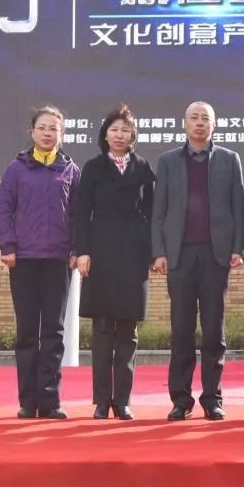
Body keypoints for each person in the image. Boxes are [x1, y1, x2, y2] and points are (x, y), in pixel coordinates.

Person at [151, 101, 244, 422]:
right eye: (194, 117)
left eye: (206, 118)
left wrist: (237, 247)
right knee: (181, 329)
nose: (200, 122)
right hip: (179, 255)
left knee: (213, 330)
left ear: (214, 125)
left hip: (216, 255)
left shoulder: (229, 159)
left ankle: (212, 398)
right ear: (185, 123)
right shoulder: (168, 161)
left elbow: (238, 207)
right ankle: (180, 399)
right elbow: (159, 211)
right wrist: (159, 251)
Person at [0, 106, 81, 420]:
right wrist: (8, 246)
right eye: (42, 127)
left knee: (54, 332)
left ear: (62, 133)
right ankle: (28, 401)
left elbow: (79, 216)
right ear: (31, 131)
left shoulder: (71, 170)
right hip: (24, 260)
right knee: (28, 331)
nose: (47, 133)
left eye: (53, 128)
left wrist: (76, 249)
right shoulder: (16, 169)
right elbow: (3, 210)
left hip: (58, 260)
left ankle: (50, 399)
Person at [74, 104, 155, 421]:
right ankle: (101, 400)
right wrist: (83, 251)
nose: (120, 135)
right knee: (103, 329)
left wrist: (153, 253)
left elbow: (152, 213)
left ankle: (122, 400)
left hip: (133, 253)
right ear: (105, 134)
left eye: (126, 130)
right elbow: (81, 213)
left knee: (128, 331)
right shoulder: (93, 167)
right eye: (114, 129)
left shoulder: (143, 167)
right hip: (101, 251)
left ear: (133, 135)